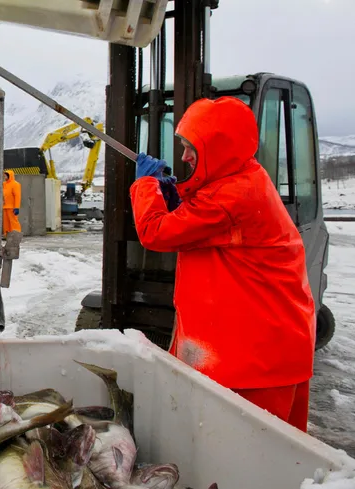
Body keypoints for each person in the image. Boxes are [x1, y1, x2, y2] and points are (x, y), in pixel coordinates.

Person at [130, 96, 315, 432]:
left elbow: (155, 233)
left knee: (251, 461)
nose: (184, 157)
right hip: (265, 349)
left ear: (217, 148)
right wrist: (177, 199)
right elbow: (206, 214)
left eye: (191, 148)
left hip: (254, 361)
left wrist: (145, 186)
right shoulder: (243, 178)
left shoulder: (231, 198)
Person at [2, 170, 22, 235]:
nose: (4, 176)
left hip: (12, 207)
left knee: (13, 222)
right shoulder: (4, 184)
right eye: (4, 175)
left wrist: (16, 207)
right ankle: (7, 235)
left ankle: (16, 235)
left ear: (9, 175)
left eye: (6, 175)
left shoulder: (15, 184)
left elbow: (17, 196)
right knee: (6, 223)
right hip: (5, 206)